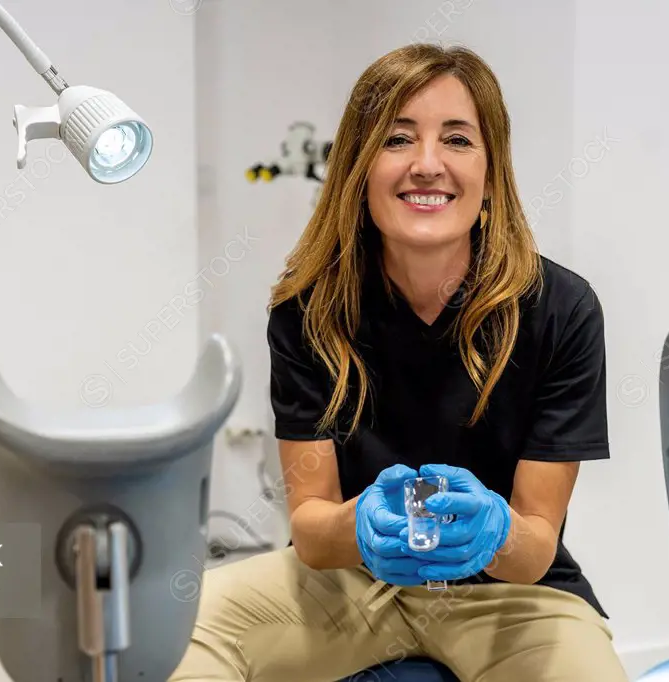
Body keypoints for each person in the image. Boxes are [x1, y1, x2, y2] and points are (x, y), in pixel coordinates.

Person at [168, 43, 628, 682]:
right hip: (353, 588)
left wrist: (494, 530)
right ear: (359, 167)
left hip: (513, 600)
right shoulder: (308, 313)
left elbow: (533, 548)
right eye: (397, 139)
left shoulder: (561, 311)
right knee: (172, 636)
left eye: (458, 140)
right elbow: (312, 526)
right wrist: (359, 525)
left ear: (492, 173)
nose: (427, 164)